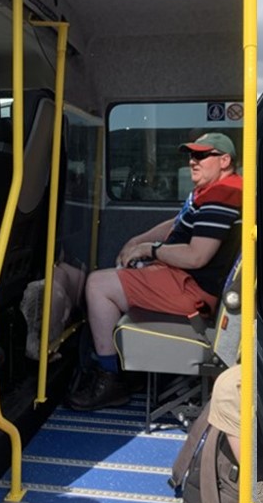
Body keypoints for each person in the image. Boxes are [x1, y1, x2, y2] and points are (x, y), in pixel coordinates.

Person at [69, 132, 243, 411]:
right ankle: (121, 369)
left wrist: (150, 250)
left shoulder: (223, 196)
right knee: (111, 275)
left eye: (201, 155)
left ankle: (110, 378)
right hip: (181, 278)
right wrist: (137, 241)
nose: (192, 162)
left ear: (224, 160)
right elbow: (177, 223)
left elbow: (197, 257)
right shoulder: (210, 192)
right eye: (191, 156)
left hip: (193, 290)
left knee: (97, 285)